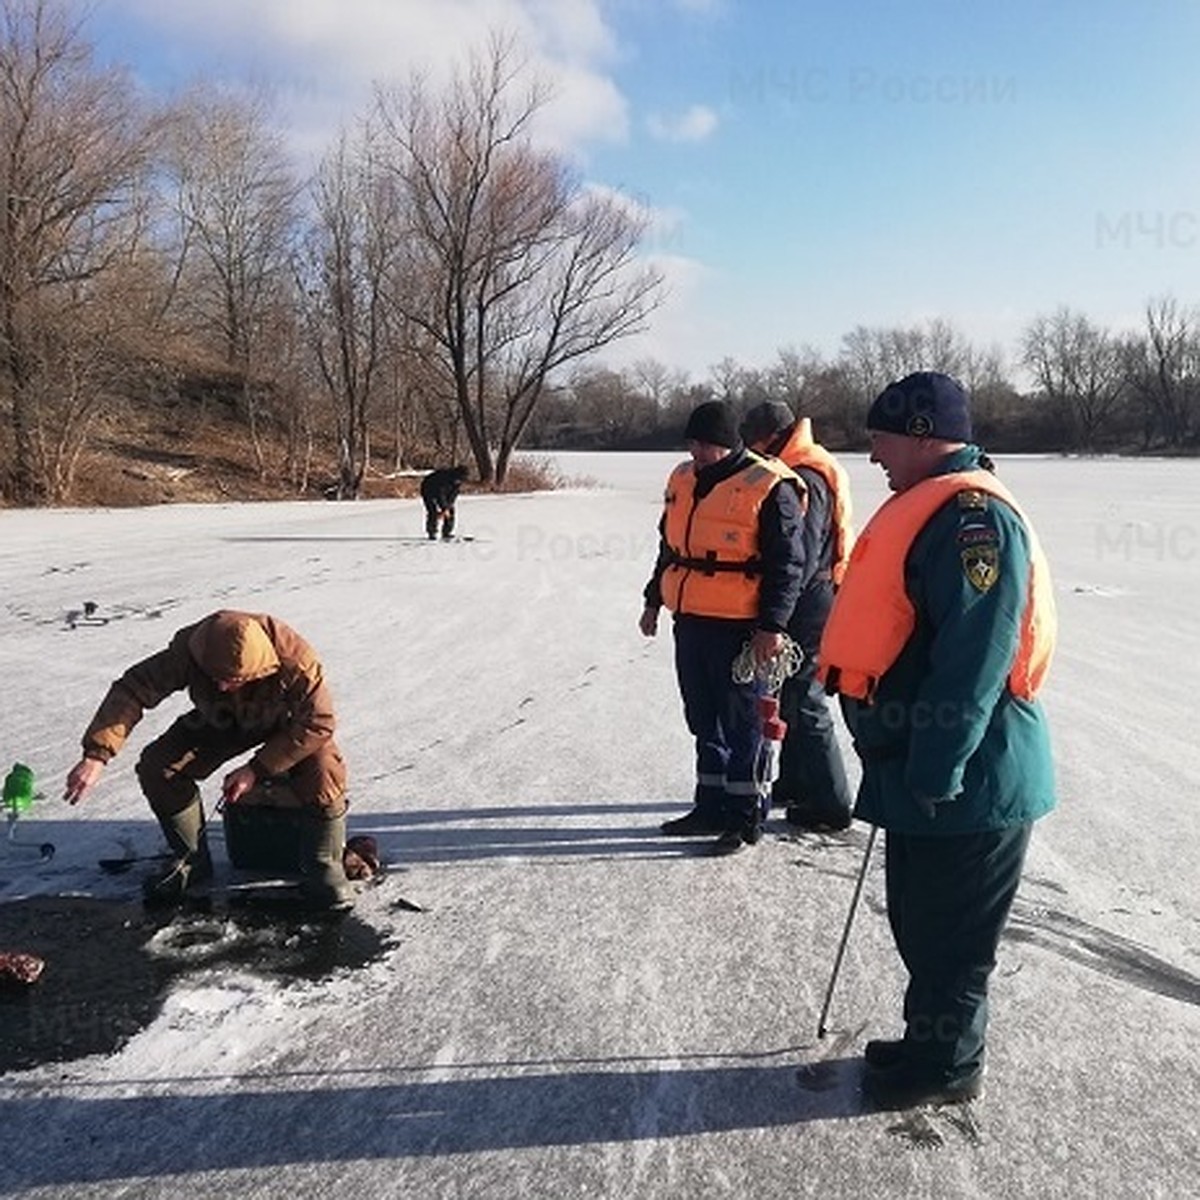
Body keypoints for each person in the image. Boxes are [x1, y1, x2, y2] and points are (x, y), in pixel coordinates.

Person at [817, 371, 1057, 1109]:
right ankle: (928, 1041)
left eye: (882, 439)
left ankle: (948, 1066)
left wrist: (936, 766)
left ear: (922, 434)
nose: (875, 457)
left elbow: (974, 660)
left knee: (952, 937)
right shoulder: (930, 509)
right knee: (922, 921)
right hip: (927, 767)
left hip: (970, 773)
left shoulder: (972, 519)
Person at [64, 609, 354, 909]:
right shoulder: (191, 649)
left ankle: (324, 867)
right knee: (159, 766)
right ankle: (190, 861)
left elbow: (318, 722)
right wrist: (96, 756)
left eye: (233, 680)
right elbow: (134, 689)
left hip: (288, 724)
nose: (222, 687)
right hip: (220, 718)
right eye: (215, 677)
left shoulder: (296, 659)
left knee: (324, 770)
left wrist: (256, 768)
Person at [639, 399, 806, 855]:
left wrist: (771, 626)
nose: (696, 454)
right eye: (692, 444)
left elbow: (788, 564)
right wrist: (652, 600)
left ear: (729, 444)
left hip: (741, 629)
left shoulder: (770, 486)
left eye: (706, 445)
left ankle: (745, 816)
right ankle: (709, 805)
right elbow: (670, 546)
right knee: (702, 717)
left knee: (743, 723)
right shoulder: (682, 480)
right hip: (691, 620)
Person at [740, 400, 855, 832]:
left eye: (752, 439)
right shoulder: (804, 463)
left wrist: (775, 613)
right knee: (788, 693)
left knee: (805, 697)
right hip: (814, 593)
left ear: (769, 436)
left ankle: (832, 803)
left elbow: (800, 556)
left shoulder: (803, 475)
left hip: (811, 598)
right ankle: (795, 781)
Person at [420, 465, 470, 540]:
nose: (460, 482)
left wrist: (447, 508)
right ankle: (432, 532)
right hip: (428, 489)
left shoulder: (457, 482)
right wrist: (444, 508)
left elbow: (452, 497)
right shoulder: (445, 478)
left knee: (450, 510)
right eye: (460, 479)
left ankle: (447, 532)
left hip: (441, 492)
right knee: (432, 510)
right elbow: (440, 494)